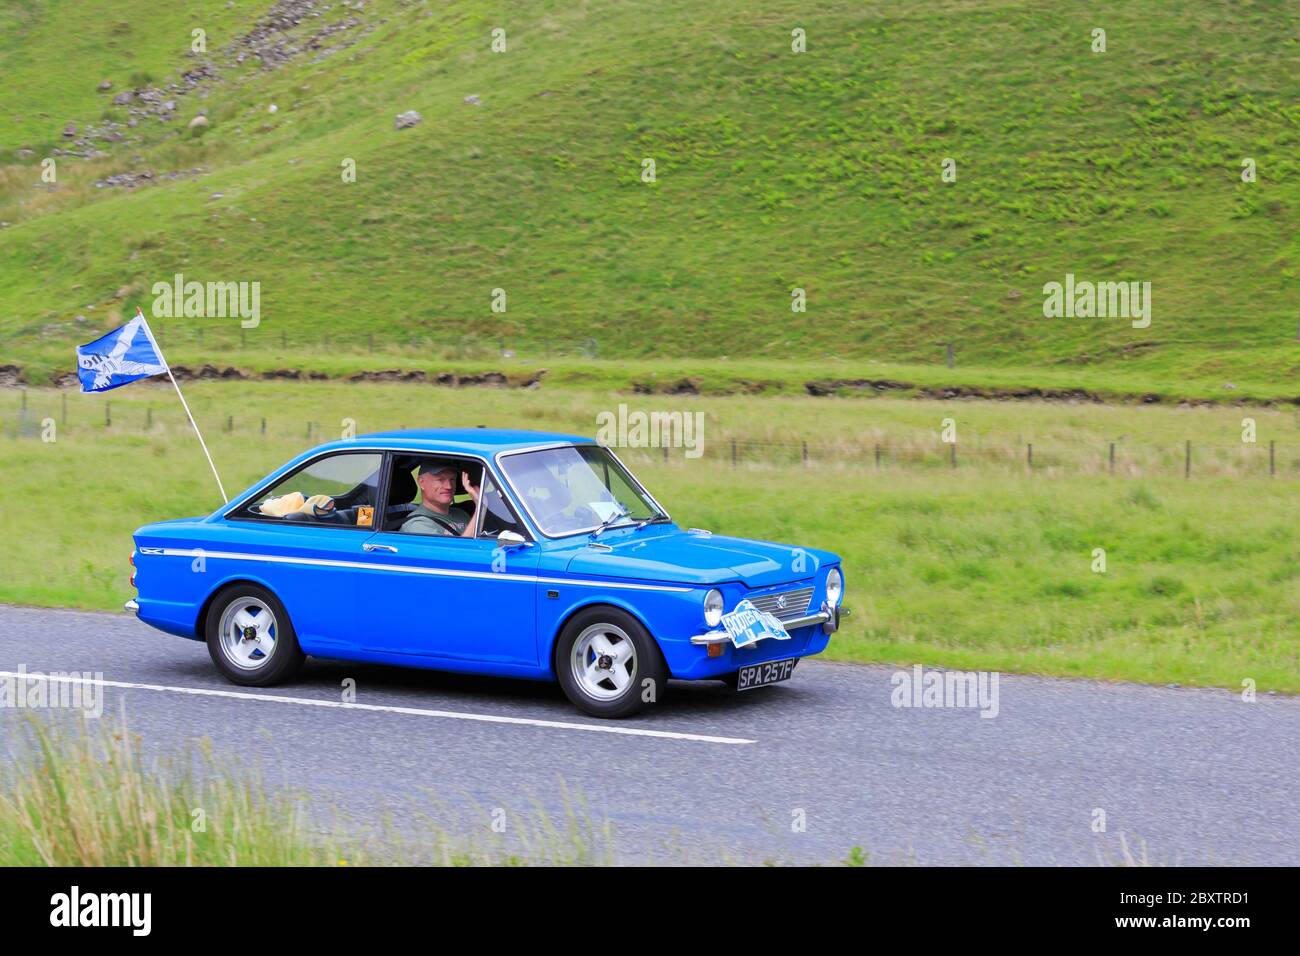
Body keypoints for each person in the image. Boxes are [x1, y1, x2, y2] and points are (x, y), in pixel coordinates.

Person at [399, 460, 481, 537]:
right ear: (421, 482)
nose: (449, 486)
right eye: (440, 480)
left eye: (452, 479)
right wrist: (479, 509)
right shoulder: (416, 525)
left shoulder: (462, 514)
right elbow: (458, 552)